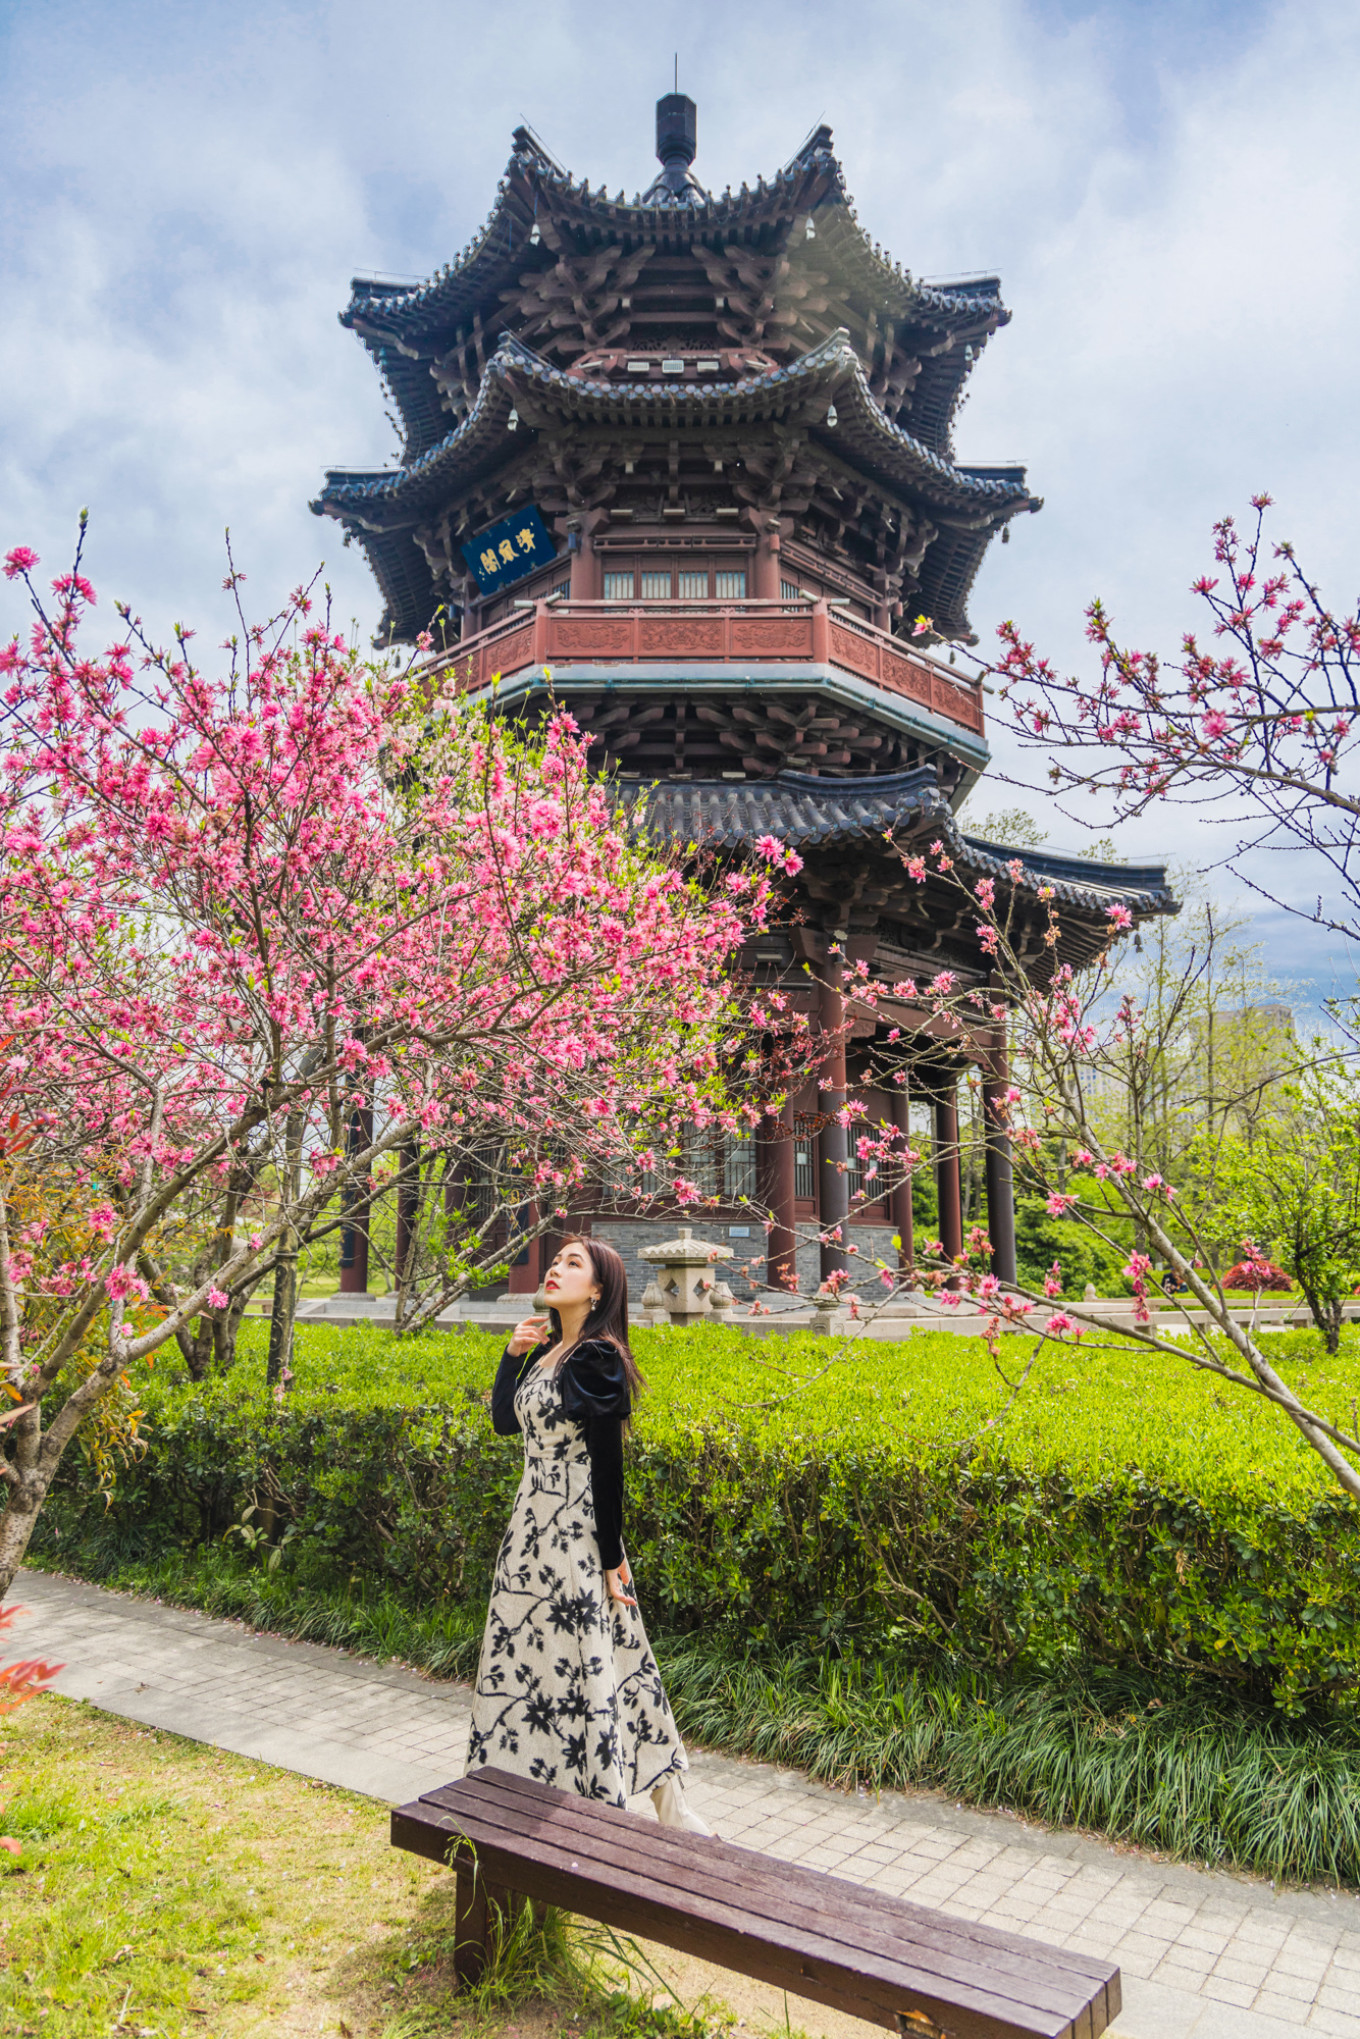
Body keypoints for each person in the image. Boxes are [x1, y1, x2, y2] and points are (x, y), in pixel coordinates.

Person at [464, 1235, 709, 1832]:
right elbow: (504, 1423)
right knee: (551, 1658)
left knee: (594, 1659)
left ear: (598, 1289)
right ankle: (527, 1793)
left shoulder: (598, 1356)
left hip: (573, 1531)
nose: (555, 1269)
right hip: (528, 1531)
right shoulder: (549, 1351)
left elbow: (607, 1465)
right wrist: (512, 1357)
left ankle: (632, 1804)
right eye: (556, 1260)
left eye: (573, 1264)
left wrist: (608, 1553)